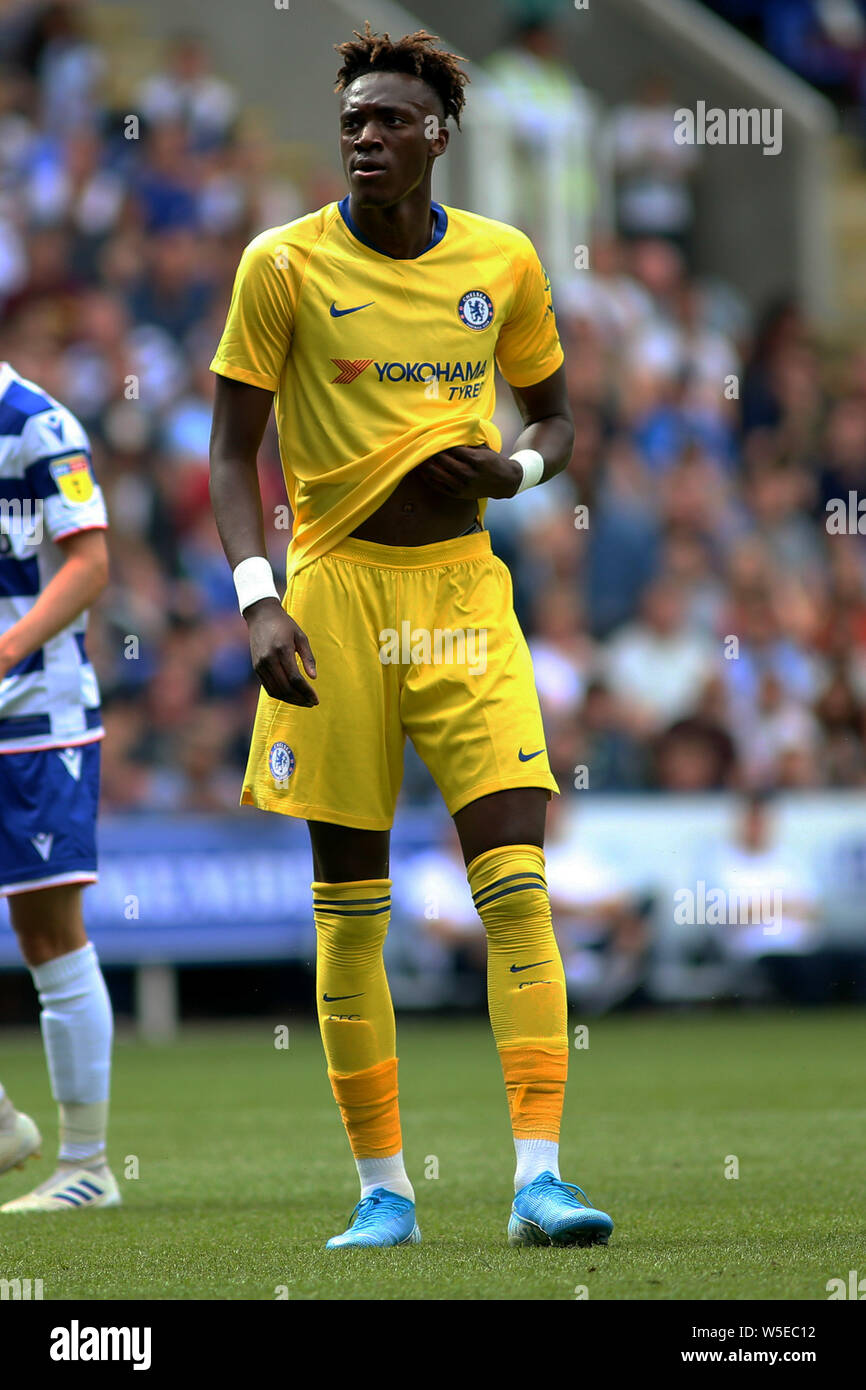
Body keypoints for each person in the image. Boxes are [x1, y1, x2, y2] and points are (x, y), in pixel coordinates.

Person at [208, 24, 613, 1250]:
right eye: (351, 123)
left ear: (439, 133)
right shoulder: (280, 264)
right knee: (350, 909)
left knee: (516, 890)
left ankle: (538, 1178)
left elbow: (555, 418)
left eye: (389, 121)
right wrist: (254, 592)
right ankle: (385, 1189)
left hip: (458, 597)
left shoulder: (503, 259)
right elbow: (231, 453)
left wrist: (517, 471)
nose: (364, 139)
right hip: (330, 592)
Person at [0, 359, 117, 1213]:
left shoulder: (38, 424)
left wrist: (7, 650)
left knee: (48, 930)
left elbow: (89, 565)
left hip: (38, 715)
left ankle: (88, 1166)